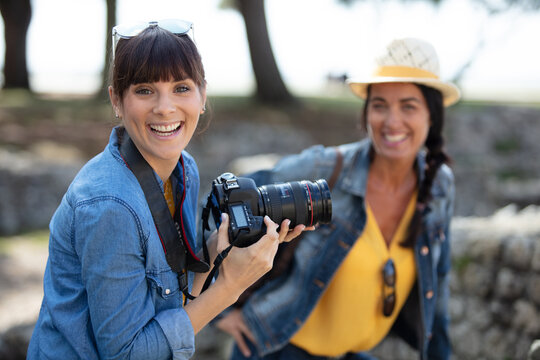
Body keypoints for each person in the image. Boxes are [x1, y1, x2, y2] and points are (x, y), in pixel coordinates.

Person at [27, 19, 307, 359]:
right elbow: (127, 354)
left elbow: (174, 296)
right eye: (145, 90)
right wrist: (231, 286)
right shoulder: (108, 206)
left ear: (203, 95)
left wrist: (216, 251)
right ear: (116, 100)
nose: (164, 106)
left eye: (181, 88)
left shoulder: (183, 169)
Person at [216, 38, 460, 360]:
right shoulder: (325, 170)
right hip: (277, 350)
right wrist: (219, 307)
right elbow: (228, 202)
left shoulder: (438, 185)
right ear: (366, 112)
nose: (391, 121)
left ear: (432, 116)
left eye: (408, 106)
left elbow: (438, 281)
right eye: (379, 105)